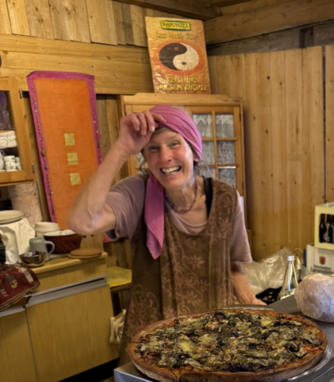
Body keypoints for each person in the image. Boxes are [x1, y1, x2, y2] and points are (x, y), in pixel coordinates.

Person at [67, 105, 261, 356]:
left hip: (213, 338)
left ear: (193, 150)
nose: (165, 157)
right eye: (153, 148)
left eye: (174, 144)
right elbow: (82, 222)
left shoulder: (226, 198)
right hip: (152, 346)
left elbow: (232, 266)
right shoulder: (137, 193)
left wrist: (251, 302)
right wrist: (122, 148)